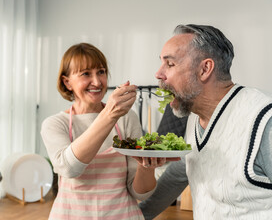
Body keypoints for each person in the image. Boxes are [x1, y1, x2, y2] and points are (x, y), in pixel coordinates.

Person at [139, 24, 272, 219]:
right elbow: (180, 171)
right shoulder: (194, 117)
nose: (158, 74)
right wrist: (136, 216)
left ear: (205, 69)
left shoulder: (263, 119)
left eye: (170, 64)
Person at [41, 43, 174, 219]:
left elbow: (139, 193)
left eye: (101, 72)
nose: (97, 82)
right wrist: (110, 114)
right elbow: (69, 168)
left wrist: (147, 166)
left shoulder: (126, 118)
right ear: (67, 82)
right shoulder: (55, 124)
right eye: (86, 74)